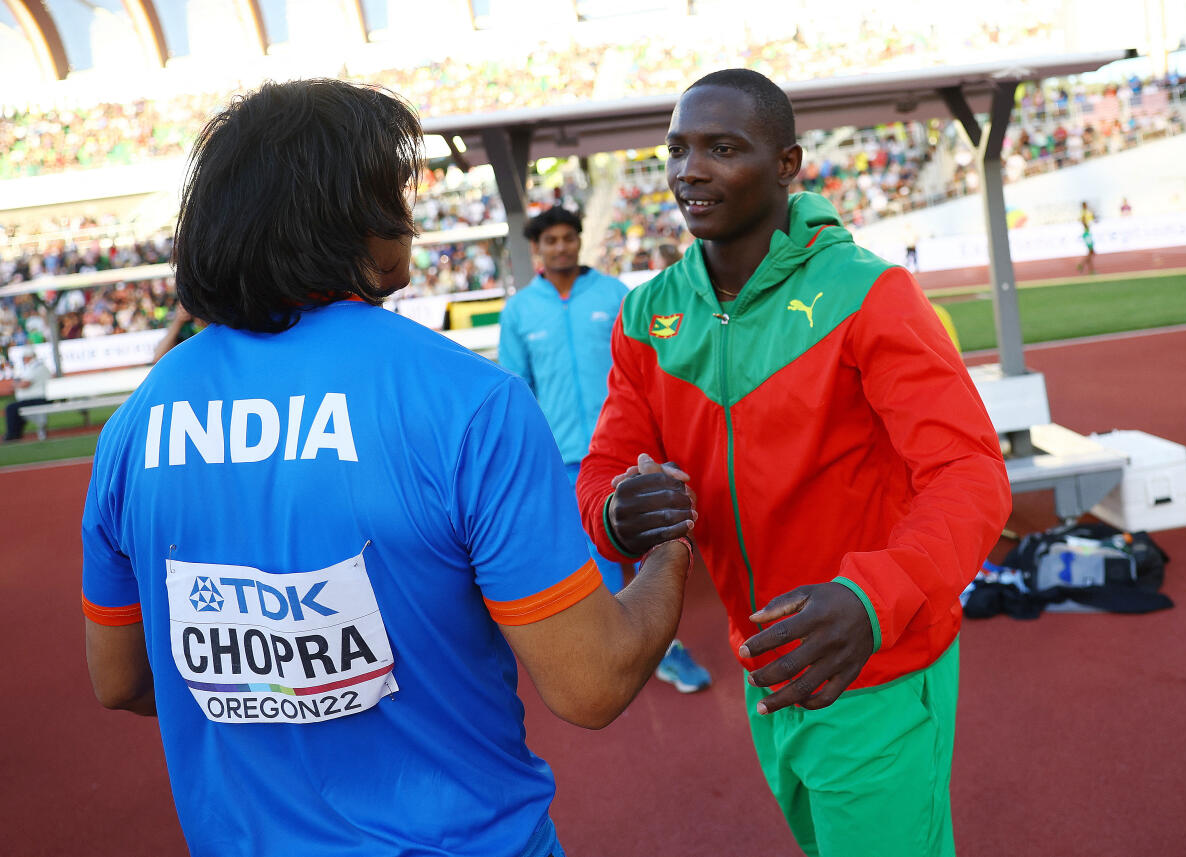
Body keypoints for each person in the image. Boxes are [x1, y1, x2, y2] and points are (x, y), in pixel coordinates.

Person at [81, 78, 695, 857]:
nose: (408, 215)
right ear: (348, 215)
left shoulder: (134, 425)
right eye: (393, 191)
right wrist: (669, 548)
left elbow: (122, 680)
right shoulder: (469, 403)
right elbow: (594, 681)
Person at [577, 69, 1011, 856]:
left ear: (787, 164)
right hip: (768, 669)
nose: (689, 170)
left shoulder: (871, 294)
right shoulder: (646, 316)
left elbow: (970, 474)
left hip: (872, 659)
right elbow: (604, 467)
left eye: (722, 147)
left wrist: (871, 600)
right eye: (677, 149)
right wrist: (614, 509)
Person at [499, 206, 711, 694]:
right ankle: (627, 654)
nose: (560, 247)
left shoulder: (616, 295)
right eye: (549, 240)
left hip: (629, 452)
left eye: (567, 238)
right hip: (567, 457)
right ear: (537, 249)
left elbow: (648, 372)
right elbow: (519, 390)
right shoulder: (520, 312)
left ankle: (664, 647)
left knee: (655, 549)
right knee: (599, 558)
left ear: (578, 241)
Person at [4, 348, 51, 441]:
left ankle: (13, 434)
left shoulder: (35, 367)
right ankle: (15, 434)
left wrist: (15, 385)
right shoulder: (38, 366)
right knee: (14, 408)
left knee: (11, 408)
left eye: (24, 358)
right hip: (38, 398)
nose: (23, 360)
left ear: (28, 357)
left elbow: (25, 383)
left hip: (37, 399)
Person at [1078, 201, 1097, 274]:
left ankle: (1091, 270)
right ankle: (1082, 265)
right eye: (1085, 205)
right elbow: (1083, 221)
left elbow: (1093, 219)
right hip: (1086, 234)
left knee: (1091, 252)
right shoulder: (1084, 213)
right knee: (1092, 252)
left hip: (1087, 233)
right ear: (1083, 206)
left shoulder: (1087, 212)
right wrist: (1086, 226)